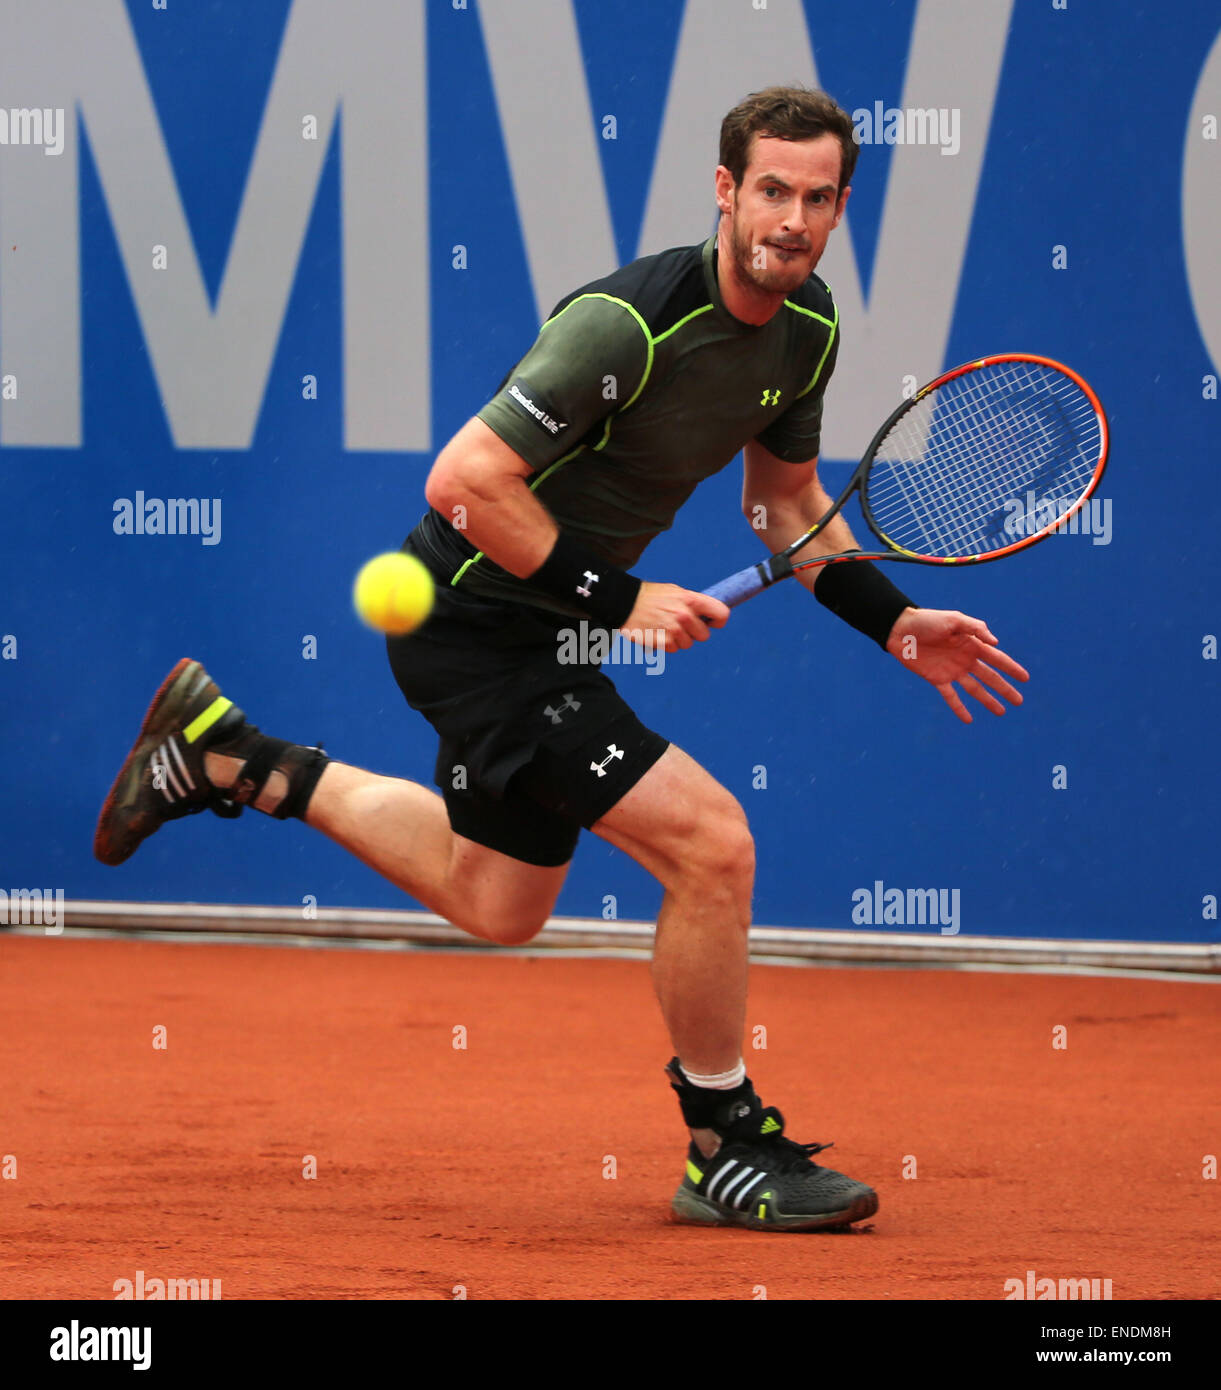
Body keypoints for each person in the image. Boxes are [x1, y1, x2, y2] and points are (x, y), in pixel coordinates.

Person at [95, 86, 1028, 1231]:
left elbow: (785, 506)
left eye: (818, 196)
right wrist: (623, 596)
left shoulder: (810, 329)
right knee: (713, 844)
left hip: (545, 632)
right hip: (472, 622)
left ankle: (232, 755)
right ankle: (721, 1143)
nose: (792, 218)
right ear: (726, 192)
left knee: (498, 904)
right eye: (771, 190)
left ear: (841, 206)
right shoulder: (624, 326)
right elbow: (462, 481)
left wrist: (892, 619)